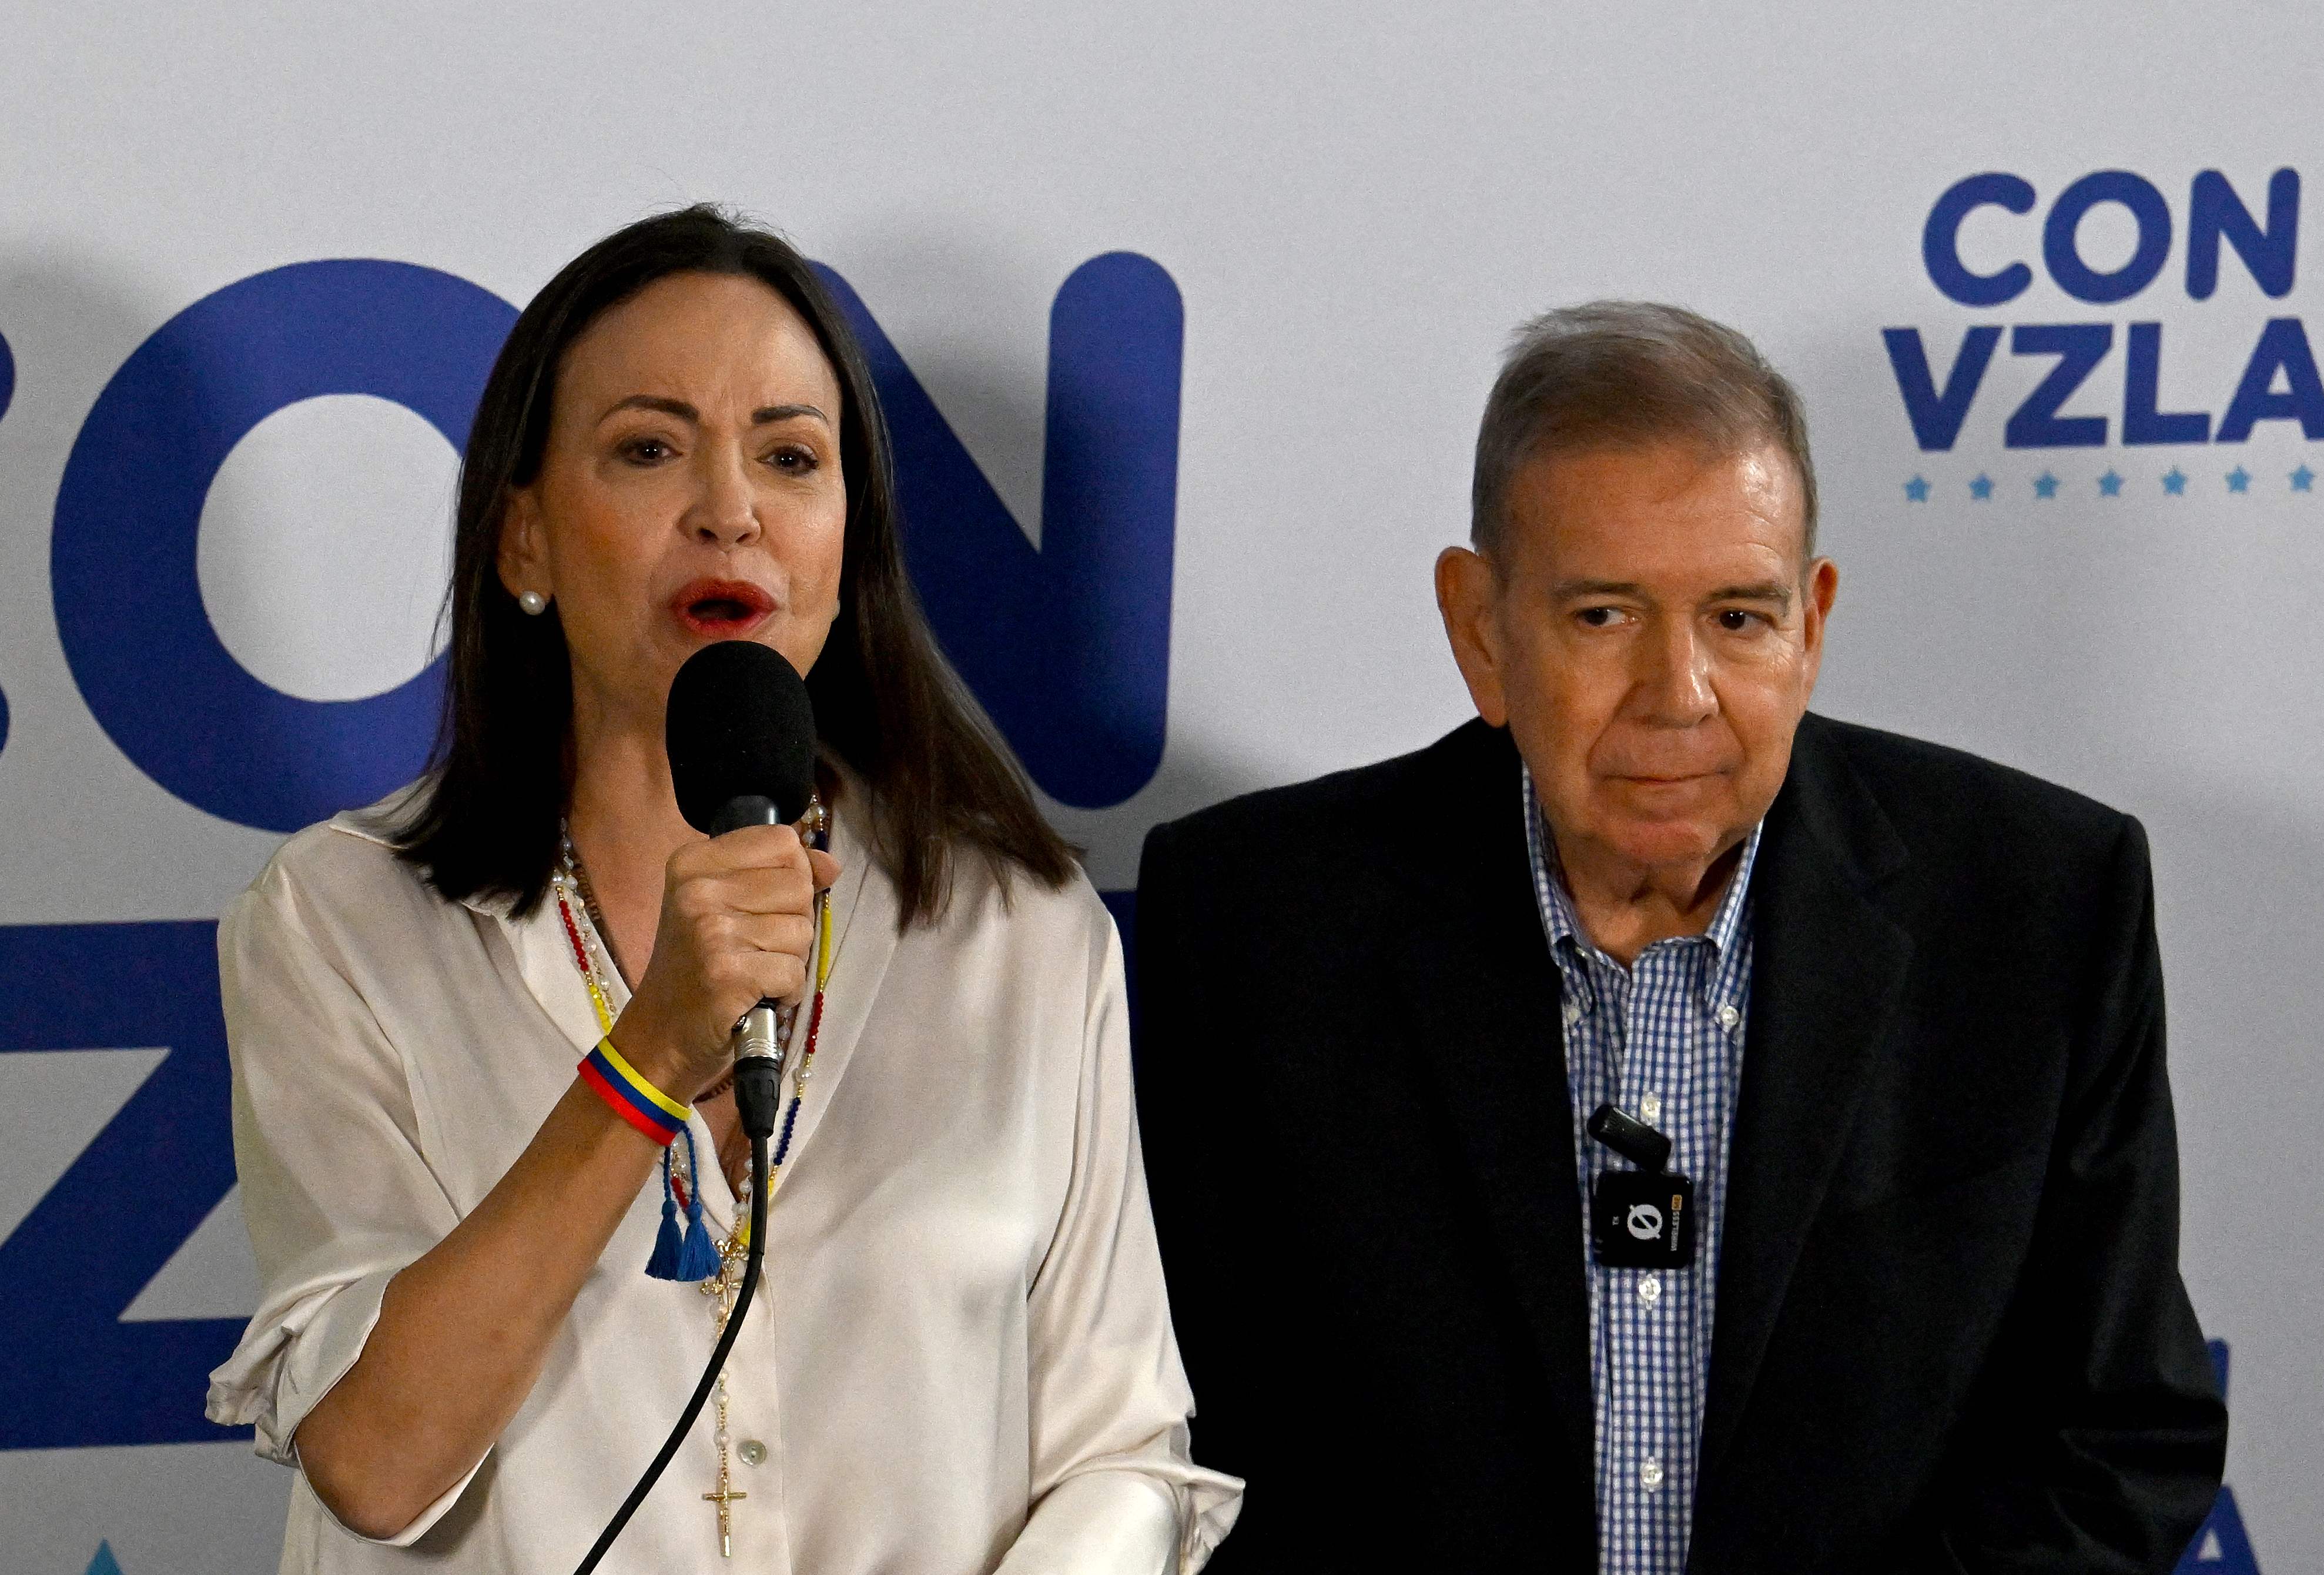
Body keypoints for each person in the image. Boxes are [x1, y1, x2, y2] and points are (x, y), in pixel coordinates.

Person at [205, 205, 1239, 1574]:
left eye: (790, 457)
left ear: (844, 539)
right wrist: (645, 1060)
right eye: (649, 449)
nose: (731, 511)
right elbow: (375, 1462)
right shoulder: (343, 922)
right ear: (522, 542)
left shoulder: (1020, 935)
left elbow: (1121, 1453)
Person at [1133, 302, 2225, 1572]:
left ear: (1810, 624)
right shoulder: (1259, 926)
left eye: (1738, 618)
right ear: (1481, 628)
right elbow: (1190, 1447)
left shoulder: (2040, 907)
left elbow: (2120, 1435)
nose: (1679, 695)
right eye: (1603, 615)